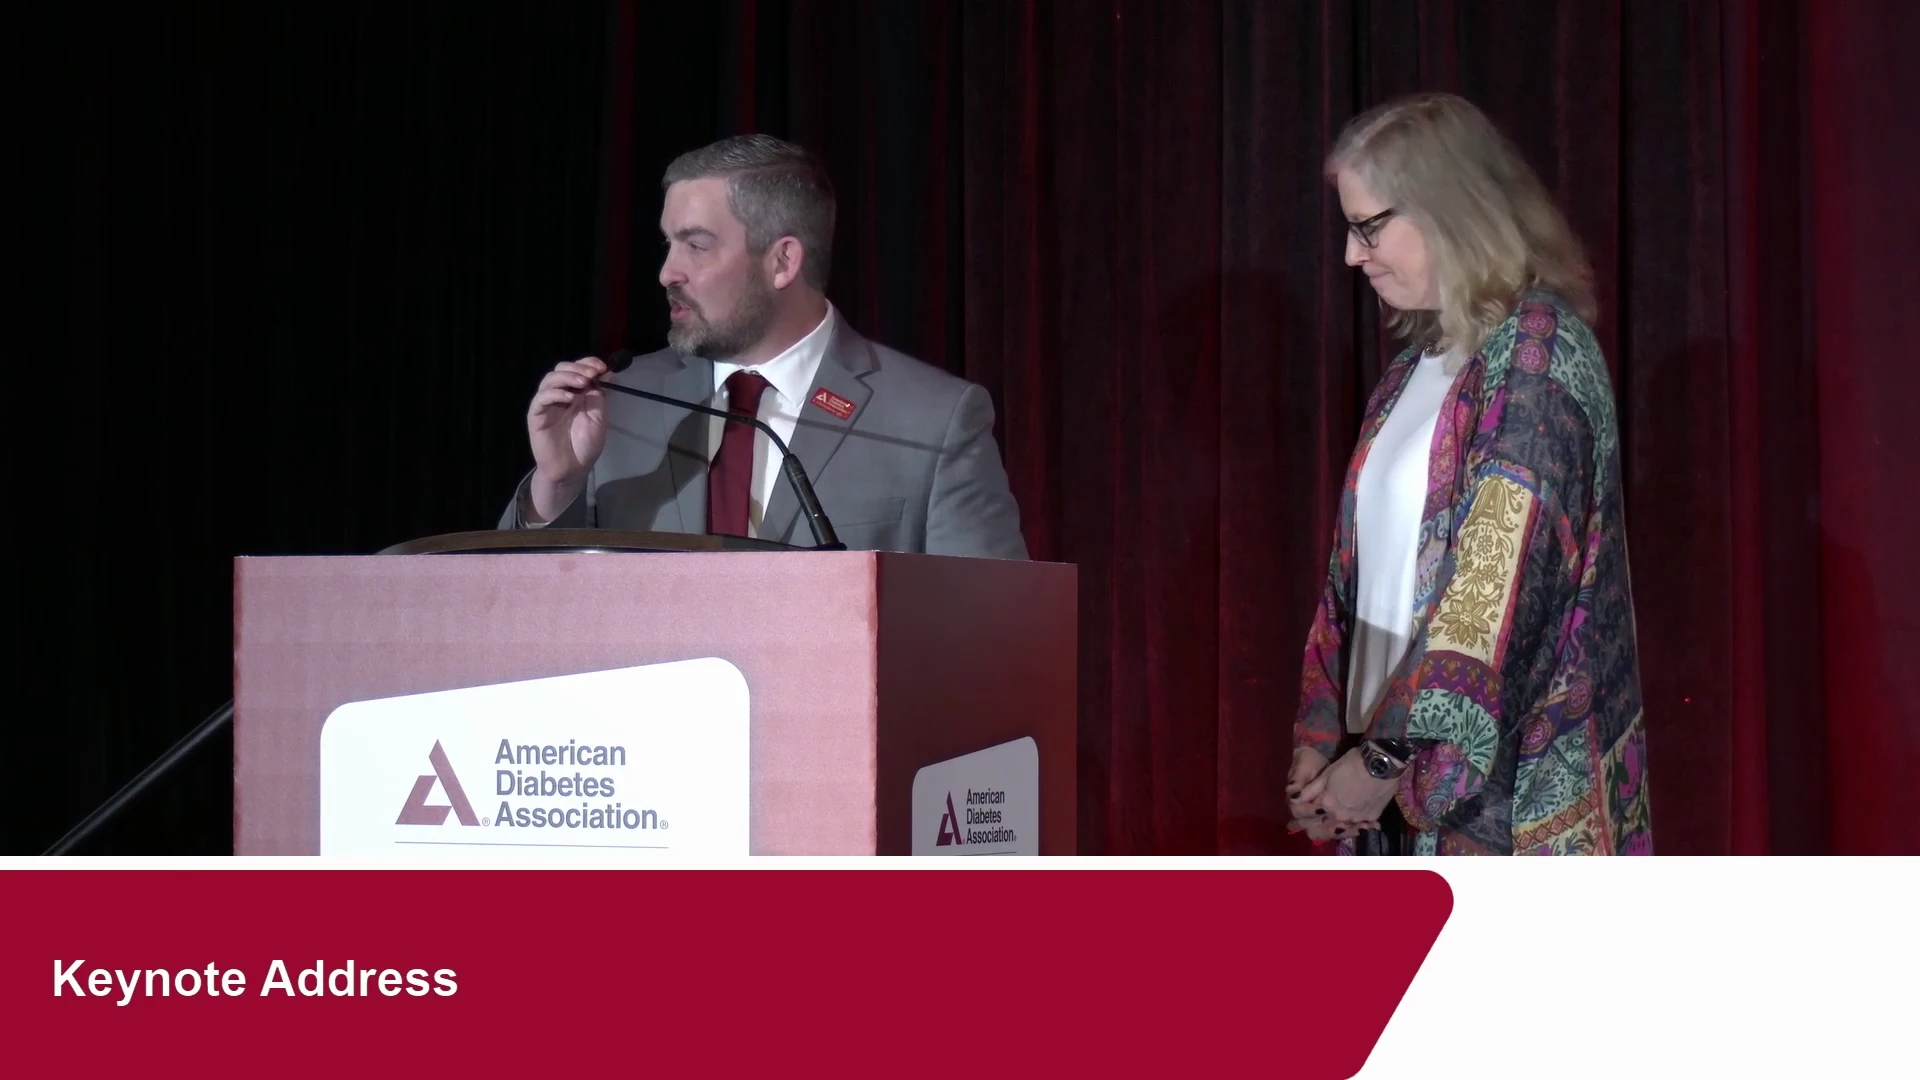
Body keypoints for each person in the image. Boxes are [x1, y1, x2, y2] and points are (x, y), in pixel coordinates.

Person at [1288, 93, 1652, 855]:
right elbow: (1351, 584)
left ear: (1448, 209)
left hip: (1500, 805)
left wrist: (1383, 760)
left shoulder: (1540, 353)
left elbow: (1497, 589)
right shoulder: (1410, 372)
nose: (1352, 255)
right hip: (1386, 785)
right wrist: (1321, 746)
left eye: (1368, 227)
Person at [502, 134, 1028, 560]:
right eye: (668, 243)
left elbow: (990, 631)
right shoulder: (615, 404)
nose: (667, 273)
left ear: (782, 262)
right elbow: (517, 611)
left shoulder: (933, 421)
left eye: (696, 245)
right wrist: (557, 485)